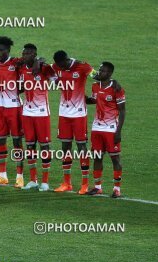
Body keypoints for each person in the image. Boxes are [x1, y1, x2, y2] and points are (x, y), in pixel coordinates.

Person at [51, 51, 94, 193]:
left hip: (79, 115)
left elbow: (98, 76)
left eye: (61, 64)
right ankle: (67, 183)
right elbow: (48, 71)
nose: (60, 68)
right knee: (65, 147)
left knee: (82, 147)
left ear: (66, 60)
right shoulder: (57, 67)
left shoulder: (82, 66)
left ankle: (85, 184)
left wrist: (95, 95)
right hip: (64, 114)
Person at [18, 44, 56, 192]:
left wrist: (41, 63)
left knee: (44, 146)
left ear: (34, 55)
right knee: (30, 146)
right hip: (27, 113)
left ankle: (45, 182)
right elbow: (21, 87)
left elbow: (58, 82)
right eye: (23, 53)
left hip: (42, 114)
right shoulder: (21, 69)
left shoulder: (45, 68)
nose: (25, 56)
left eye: (28, 54)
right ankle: (33, 180)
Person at [0, 36, 25, 188]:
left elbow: (25, 83)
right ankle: (2, 176)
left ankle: (19, 177)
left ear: (8, 50)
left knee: (17, 142)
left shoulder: (16, 63)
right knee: (0, 141)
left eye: (1, 50)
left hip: (14, 107)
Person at [86, 62, 126, 198]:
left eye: (103, 71)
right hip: (96, 128)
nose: (99, 72)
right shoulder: (95, 86)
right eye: (100, 70)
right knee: (97, 157)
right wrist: (82, 97)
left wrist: (118, 131)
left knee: (115, 158)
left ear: (109, 74)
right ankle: (98, 187)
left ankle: (117, 189)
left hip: (111, 129)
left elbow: (122, 111)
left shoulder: (116, 88)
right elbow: (95, 100)